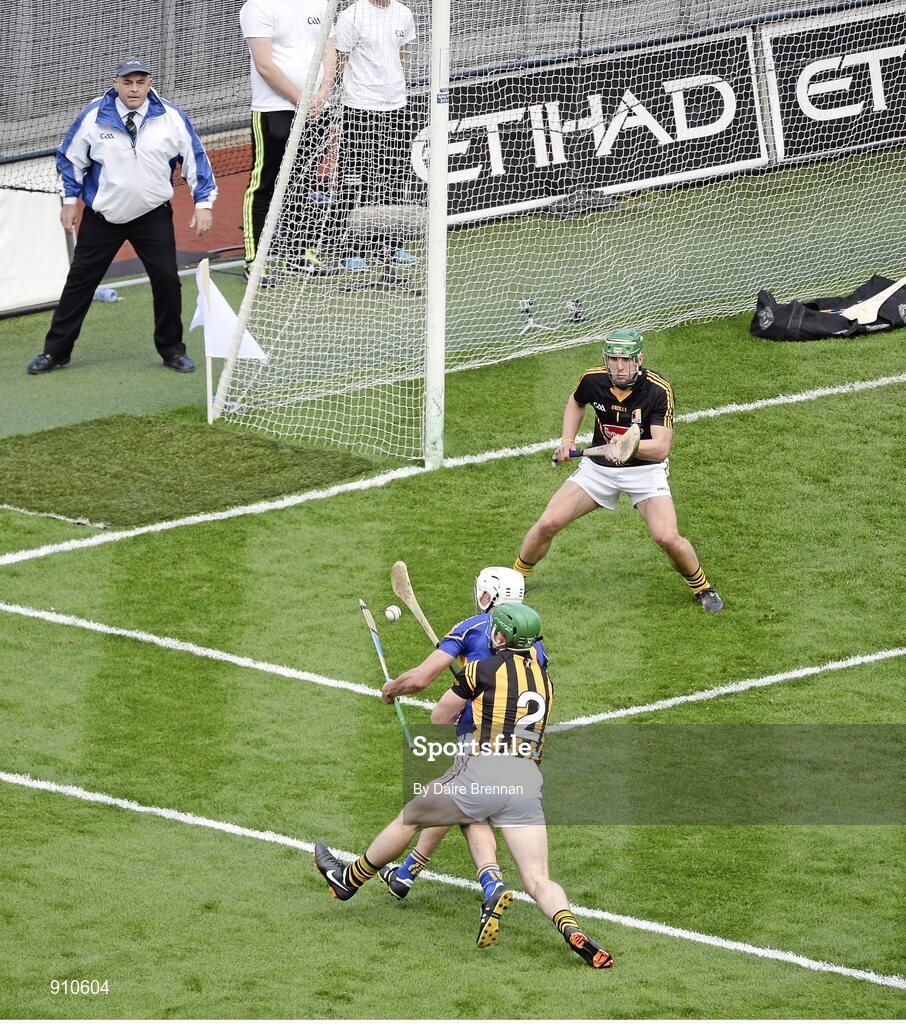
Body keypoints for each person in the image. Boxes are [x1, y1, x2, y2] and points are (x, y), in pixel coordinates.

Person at [314, 603, 614, 968]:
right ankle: (570, 928)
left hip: (482, 772)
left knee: (411, 817)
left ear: (500, 636)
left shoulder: (480, 669)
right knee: (537, 877)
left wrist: (464, 707)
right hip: (525, 784)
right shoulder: (545, 682)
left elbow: (440, 717)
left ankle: (348, 879)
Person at [26, 56, 216, 375]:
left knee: (167, 280)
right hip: (103, 218)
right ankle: (55, 352)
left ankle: (172, 349)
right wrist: (70, 202)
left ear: (150, 84)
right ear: (115, 84)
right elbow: (70, 158)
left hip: (152, 216)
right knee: (79, 283)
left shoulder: (171, 117)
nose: (134, 89)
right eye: (127, 82)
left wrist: (204, 203)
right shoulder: (93, 116)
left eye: (140, 82)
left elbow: (196, 157)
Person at [514, 328, 724, 613]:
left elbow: (661, 448)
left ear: (639, 360)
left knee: (666, 537)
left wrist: (626, 447)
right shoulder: (593, 380)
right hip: (599, 468)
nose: (619, 367)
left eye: (626, 359)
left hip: (644, 471)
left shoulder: (658, 390)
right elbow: (576, 401)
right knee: (549, 522)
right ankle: (517, 578)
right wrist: (567, 440)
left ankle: (702, 588)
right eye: (613, 359)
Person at [377, 566, 544, 908]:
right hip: (519, 744)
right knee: (455, 801)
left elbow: (422, 680)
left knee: (459, 807)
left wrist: (393, 689)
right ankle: (407, 872)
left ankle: (362, 875)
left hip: (475, 737)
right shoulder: (534, 645)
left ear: (492, 596)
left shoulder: (471, 627)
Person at [239, 0, 337, 277]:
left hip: (318, 109)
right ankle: (254, 260)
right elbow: (265, 65)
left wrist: (323, 93)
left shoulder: (321, 3)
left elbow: (330, 49)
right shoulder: (257, 6)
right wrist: (301, 99)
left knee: (303, 183)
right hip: (274, 110)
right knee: (264, 185)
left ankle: (298, 256)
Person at [333, 0, 418, 272]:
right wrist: (361, 88)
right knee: (354, 181)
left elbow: (400, 52)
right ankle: (349, 247)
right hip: (359, 107)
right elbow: (339, 62)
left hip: (397, 106)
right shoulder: (351, 16)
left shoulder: (403, 13)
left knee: (394, 179)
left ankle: (389, 246)